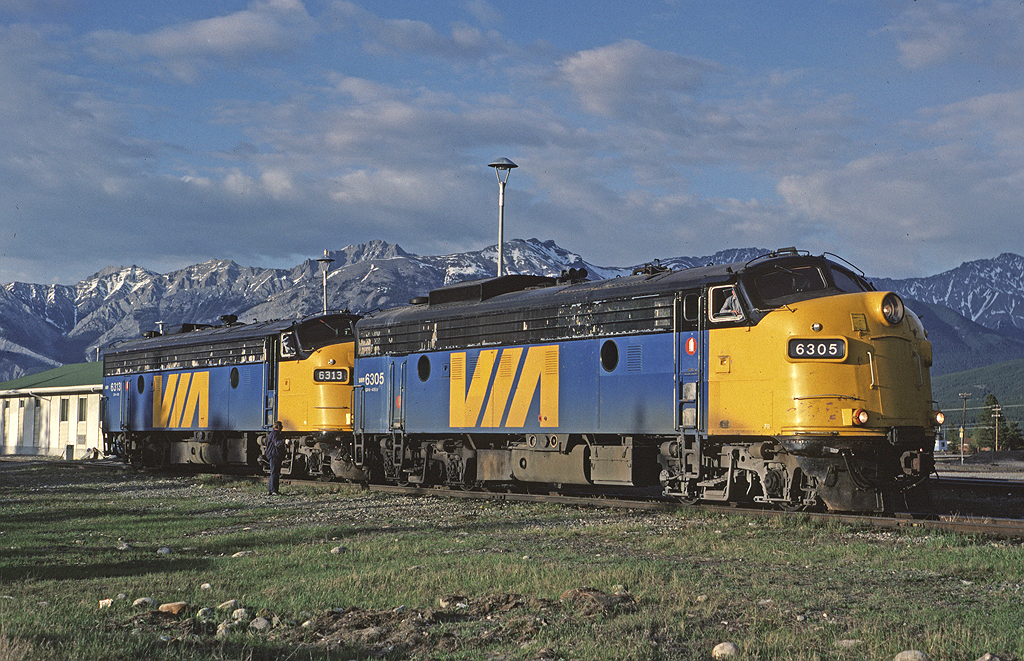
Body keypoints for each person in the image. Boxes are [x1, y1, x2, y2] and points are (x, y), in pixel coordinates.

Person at [265, 421, 286, 496]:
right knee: (275, 473)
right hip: (274, 455)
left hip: (273, 454)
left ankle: (270, 490)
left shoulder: (273, 433)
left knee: (273, 472)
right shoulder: (275, 434)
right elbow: (277, 443)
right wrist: (284, 441)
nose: (282, 428)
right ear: (278, 427)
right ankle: (274, 490)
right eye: (281, 426)